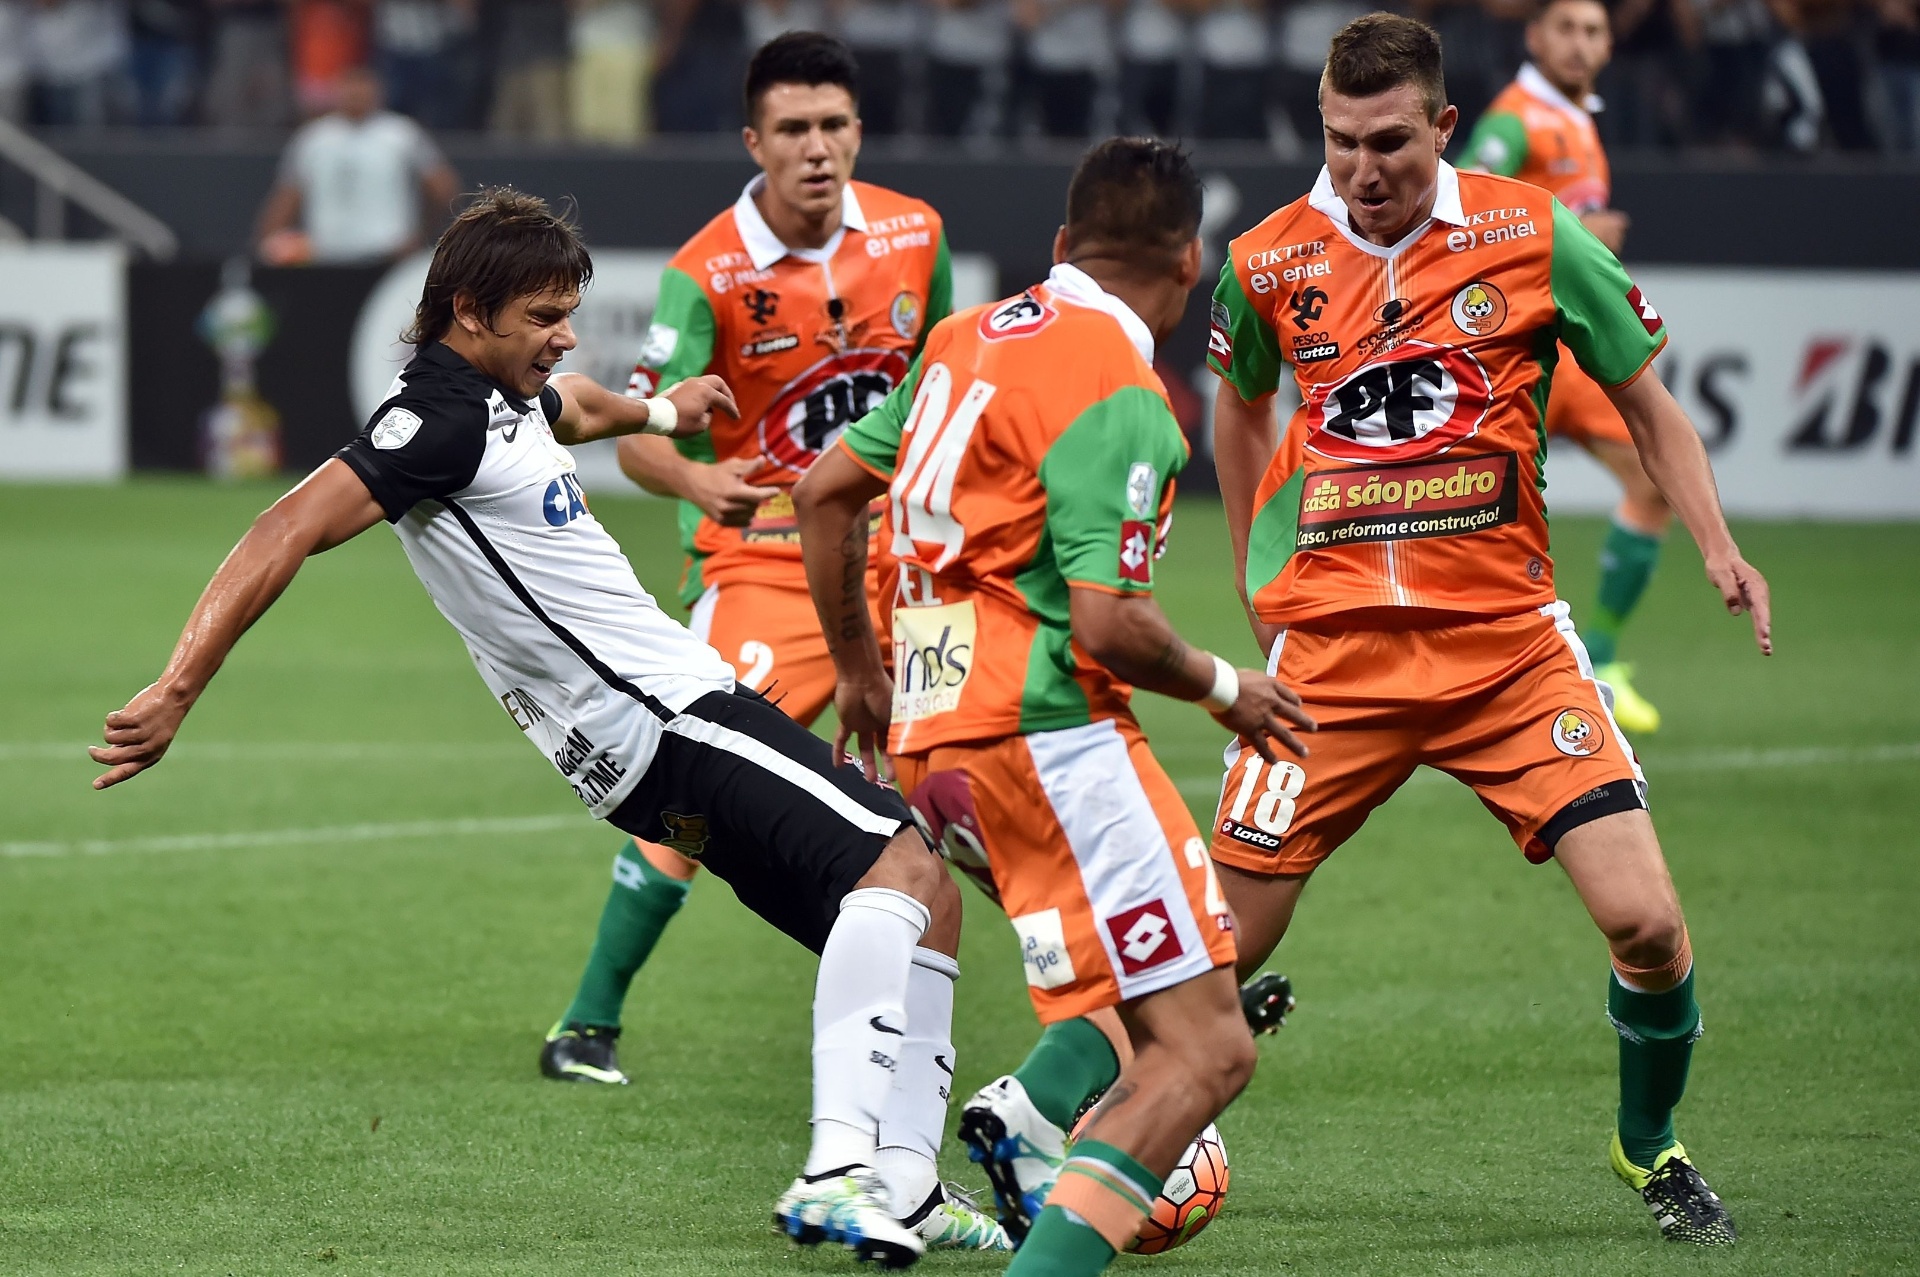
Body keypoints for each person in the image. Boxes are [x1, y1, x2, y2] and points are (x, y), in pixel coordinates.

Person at [90, 187, 963, 1270]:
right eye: (546, 316)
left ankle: (911, 1182)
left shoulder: (507, 403)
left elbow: (583, 408)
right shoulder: (436, 421)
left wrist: (665, 414)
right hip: (668, 714)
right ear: (469, 309)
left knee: (918, 902)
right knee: (903, 857)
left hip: (636, 752)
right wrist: (179, 686)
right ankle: (841, 1168)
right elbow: (284, 526)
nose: (565, 336)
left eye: (570, 311)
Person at [1206, 13, 1770, 1246]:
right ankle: (1101, 1125)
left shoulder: (1527, 231)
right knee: (1207, 951)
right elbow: (1239, 407)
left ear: (1443, 126)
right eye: (1342, 141)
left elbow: (1647, 402)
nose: (1364, 169)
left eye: (1392, 142)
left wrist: (1719, 544)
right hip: (1334, 660)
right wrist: (1262, 567)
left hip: (1505, 651)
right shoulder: (1266, 259)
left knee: (1650, 924)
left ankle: (1650, 1144)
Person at [793, 137, 1317, 1274]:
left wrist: (858, 670)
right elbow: (1109, 623)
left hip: (934, 752)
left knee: (1146, 1016)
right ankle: (1059, 1187)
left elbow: (823, 489)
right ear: (1190, 265)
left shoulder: (962, 337)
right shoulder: (1126, 389)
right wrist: (1232, 690)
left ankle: (1036, 1140)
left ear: (1060, 246)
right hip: (1045, 739)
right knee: (1206, 1049)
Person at [1462, 0, 1669, 734]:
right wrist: (1574, 228)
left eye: (1593, 32)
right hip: (1513, 349)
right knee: (1472, 514)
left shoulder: (1578, 118)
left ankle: (1604, 660)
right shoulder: (1513, 119)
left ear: (1610, 45)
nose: (1580, 45)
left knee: (1652, 481)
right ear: (1535, 36)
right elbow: (1461, 204)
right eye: (1566, 30)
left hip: (1566, 347)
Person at [256, 65, 460, 265]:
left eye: (363, 87)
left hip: (388, 253)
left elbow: (442, 189)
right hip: (326, 254)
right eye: (350, 87)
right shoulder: (314, 138)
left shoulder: (401, 134)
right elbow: (287, 198)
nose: (356, 94)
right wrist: (268, 243)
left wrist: (421, 236)